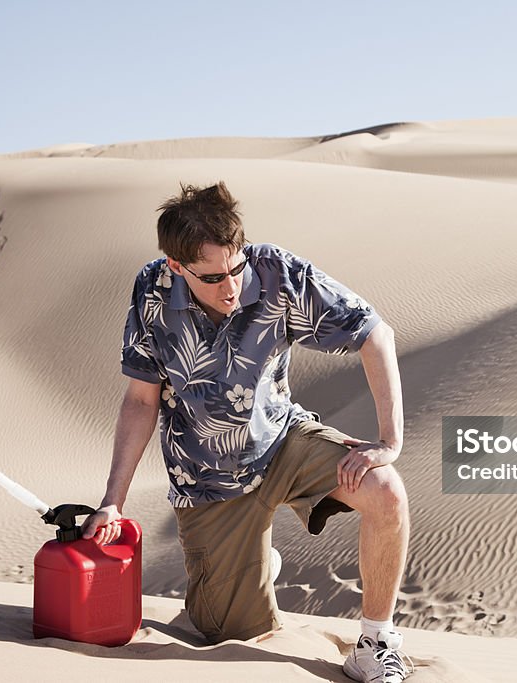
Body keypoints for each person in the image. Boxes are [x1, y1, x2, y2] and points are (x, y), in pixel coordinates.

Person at [81, 181, 415, 682]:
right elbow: (140, 399)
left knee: (386, 489)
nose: (231, 286)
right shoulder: (152, 291)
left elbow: (374, 333)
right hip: (208, 483)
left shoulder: (276, 272)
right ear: (176, 267)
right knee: (229, 633)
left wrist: (389, 442)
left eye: (235, 268)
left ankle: (376, 642)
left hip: (282, 442)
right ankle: (249, 571)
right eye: (212, 277)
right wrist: (113, 500)